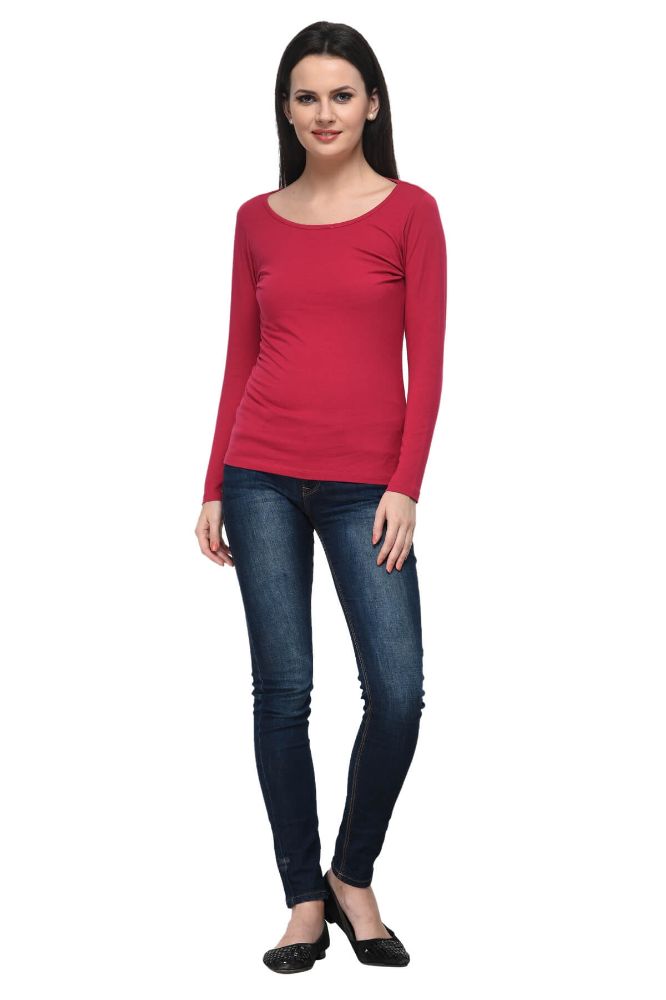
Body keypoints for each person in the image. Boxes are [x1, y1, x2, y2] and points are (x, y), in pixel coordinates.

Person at [194, 20, 447, 973]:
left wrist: (405, 484)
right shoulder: (255, 219)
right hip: (259, 473)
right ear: (287, 110)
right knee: (283, 691)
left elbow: (429, 361)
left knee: (398, 693)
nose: (325, 112)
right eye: (307, 96)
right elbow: (240, 356)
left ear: (372, 104)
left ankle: (352, 872)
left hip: (365, 487)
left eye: (342, 95)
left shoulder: (410, 212)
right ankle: (304, 898)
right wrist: (213, 482)